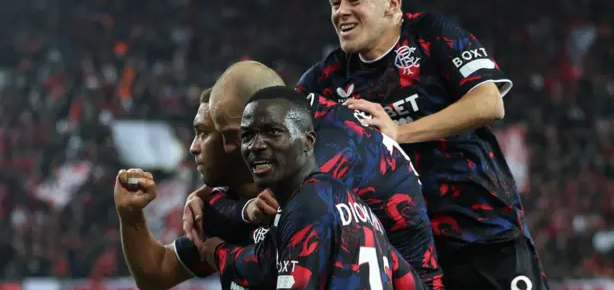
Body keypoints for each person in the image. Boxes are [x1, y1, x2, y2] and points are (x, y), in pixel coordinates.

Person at [296, 0, 548, 290]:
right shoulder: (327, 77)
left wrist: (399, 132)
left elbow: (489, 102)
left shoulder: (432, 35)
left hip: (483, 235)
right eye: (335, 2)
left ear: (392, 5)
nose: (341, 11)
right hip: (406, 256)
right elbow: (281, 130)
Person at [186, 61, 442, 289]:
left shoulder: (320, 179)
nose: (230, 149)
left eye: (233, 134)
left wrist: (218, 251)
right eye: (244, 136)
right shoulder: (310, 132)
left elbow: (268, 263)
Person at [115, 88, 263, 290]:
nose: (193, 147)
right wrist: (130, 216)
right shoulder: (224, 214)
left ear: (234, 137)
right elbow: (155, 274)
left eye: (203, 133)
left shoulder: (303, 200)